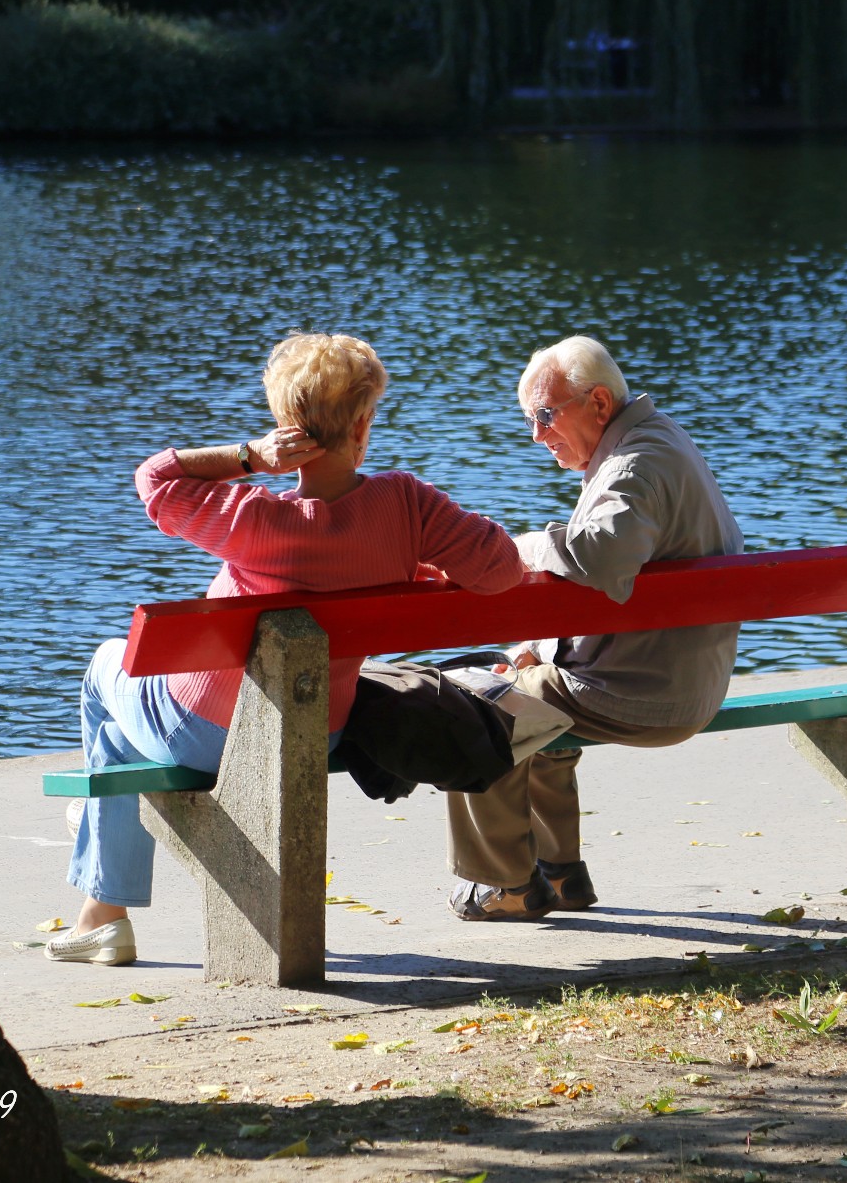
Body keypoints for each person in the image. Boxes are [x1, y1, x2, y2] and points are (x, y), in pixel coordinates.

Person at [49, 333, 523, 965]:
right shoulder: (407, 504)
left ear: (286, 426)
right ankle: (98, 916)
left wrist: (250, 456)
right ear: (362, 425)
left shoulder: (255, 516)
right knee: (117, 740)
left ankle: (102, 897)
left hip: (200, 727)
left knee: (107, 668)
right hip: (313, 728)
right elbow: (502, 569)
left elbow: (154, 478)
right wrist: (417, 564)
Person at [417, 335, 743, 921]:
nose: (536, 435)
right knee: (527, 687)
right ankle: (559, 874)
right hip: (681, 678)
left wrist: (509, 549)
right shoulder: (657, 440)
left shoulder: (635, 463)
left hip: (648, 694)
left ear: (597, 402)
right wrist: (536, 652)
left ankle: (506, 884)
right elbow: (615, 583)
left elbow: (602, 556)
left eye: (544, 415)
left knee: (471, 706)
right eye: (530, 420)